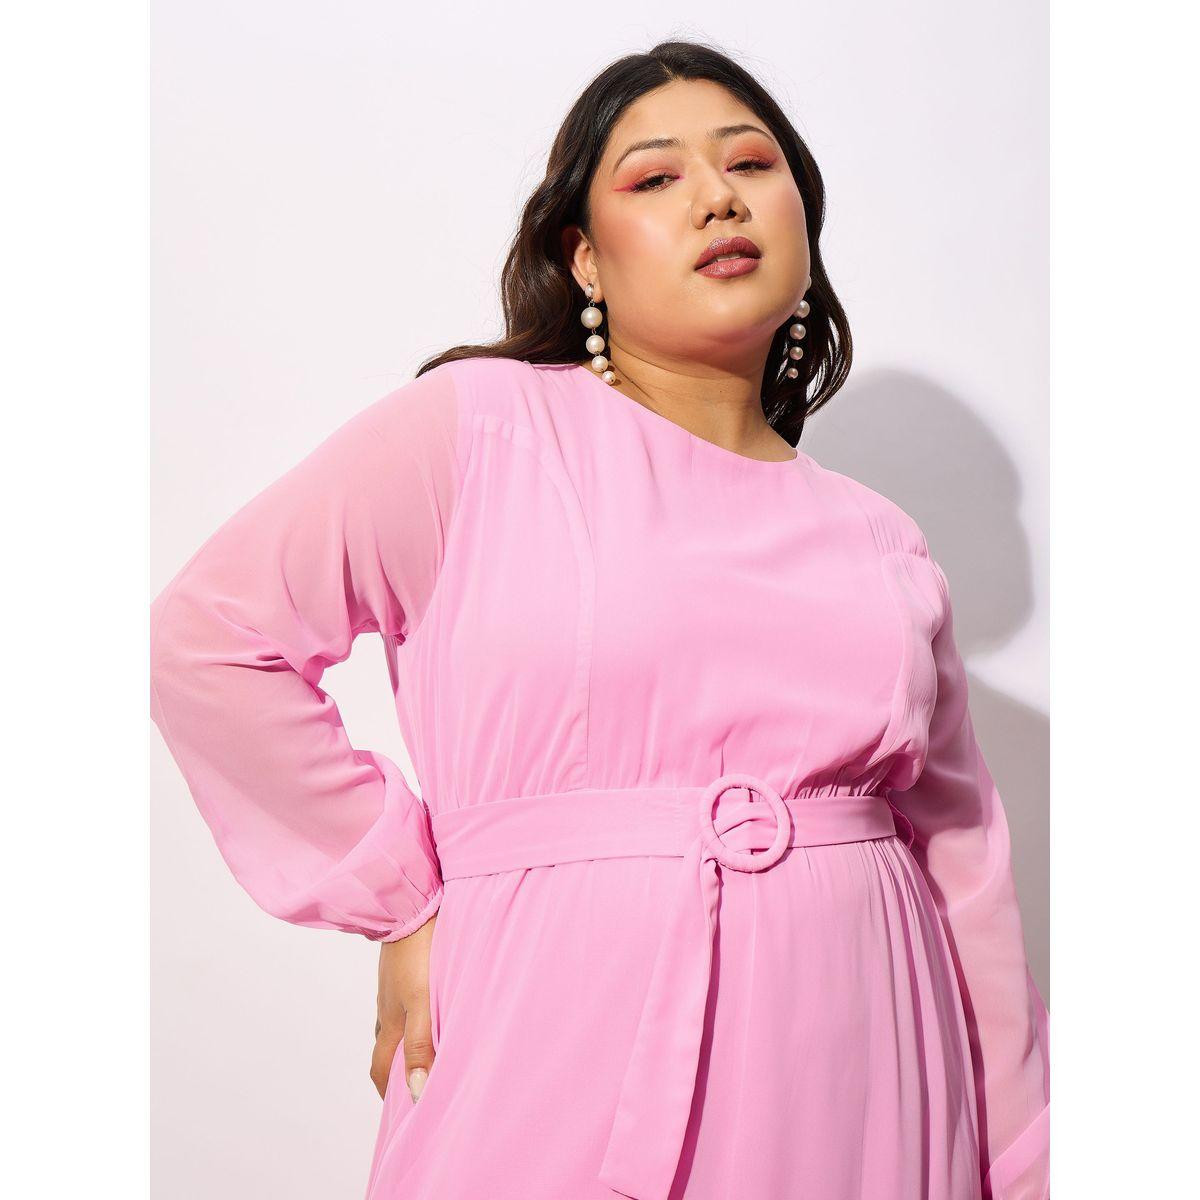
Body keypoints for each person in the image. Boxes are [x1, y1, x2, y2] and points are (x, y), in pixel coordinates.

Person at [149, 39, 1049, 1200]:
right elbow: (210, 639)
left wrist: (1027, 1161)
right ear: (583, 256)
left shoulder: (882, 539)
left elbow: (967, 869)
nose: (717, 197)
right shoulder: (477, 431)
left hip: (870, 1067)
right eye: (656, 177)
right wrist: (395, 892)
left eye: (751, 164)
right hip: (557, 1034)